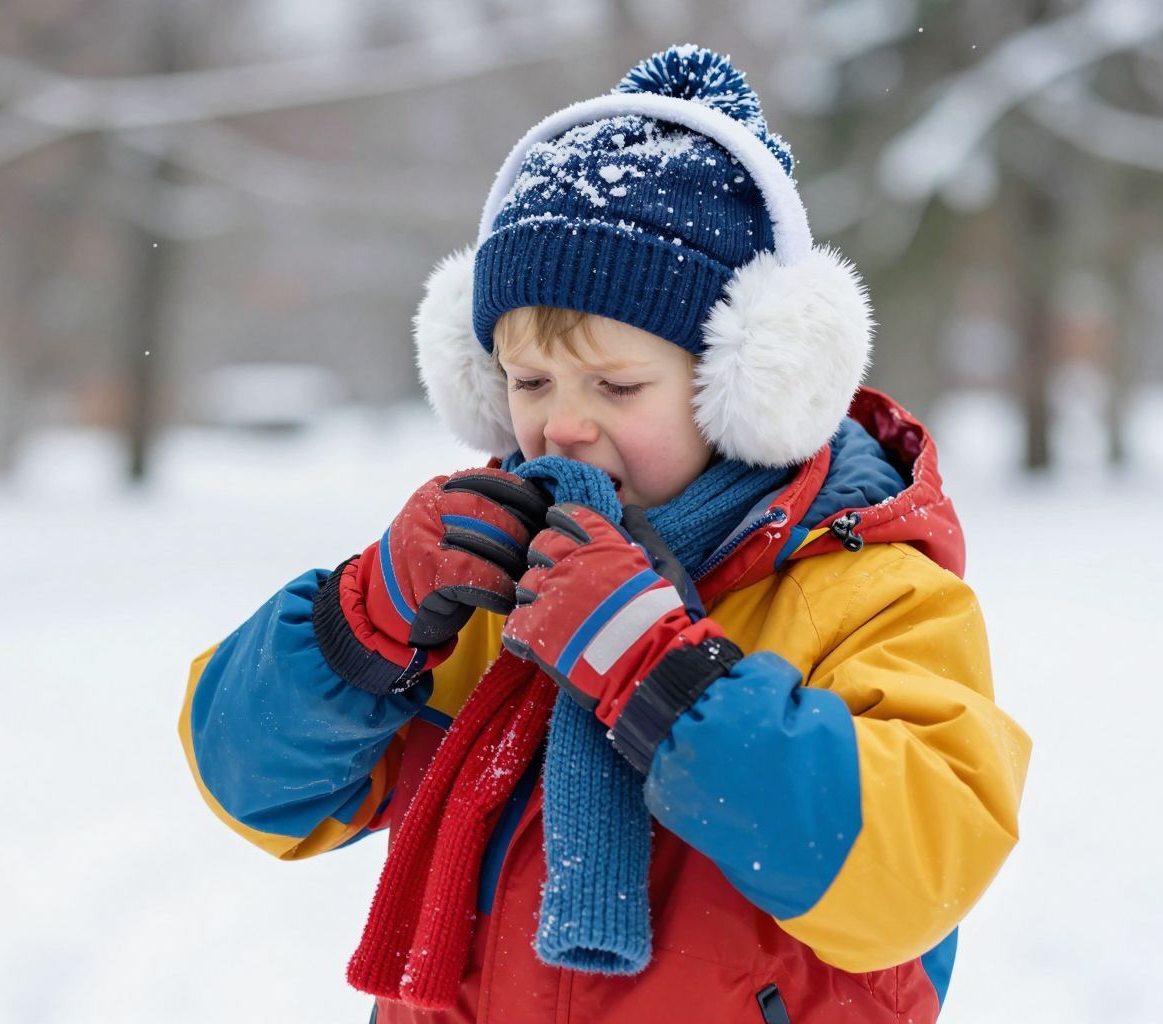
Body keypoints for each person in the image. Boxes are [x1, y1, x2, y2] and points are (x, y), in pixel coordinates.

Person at [179, 45, 1030, 1024]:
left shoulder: (861, 589)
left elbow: (917, 870)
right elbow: (254, 784)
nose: (563, 426)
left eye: (617, 386)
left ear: (746, 384)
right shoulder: (489, 579)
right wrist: (364, 617)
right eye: (530, 383)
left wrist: (658, 672)